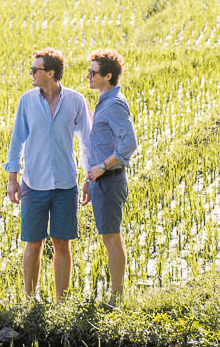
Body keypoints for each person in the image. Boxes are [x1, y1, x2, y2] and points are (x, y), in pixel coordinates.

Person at [5, 47, 92, 301]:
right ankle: (29, 300)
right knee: (33, 244)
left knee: (62, 244)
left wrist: (89, 177)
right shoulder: (27, 100)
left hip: (66, 185)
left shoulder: (76, 100)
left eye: (36, 69)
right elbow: (16, 141)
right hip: (34, 183)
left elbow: (87, 142)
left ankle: (60, 302)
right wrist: (13, 178)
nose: (31, 73)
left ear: (51, 73)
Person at [83, 48, 136, 306]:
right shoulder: (105, 100)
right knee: (109, 237)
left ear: (109, 76)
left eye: (93, 73)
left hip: (111, 179)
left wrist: (102, 167)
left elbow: (129, 143)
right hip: (101, 180)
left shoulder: (114, 104)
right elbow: (102, 143)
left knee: (112, 238)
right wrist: (90, 177)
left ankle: (116, 297)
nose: (89, 77)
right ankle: (116, 296)